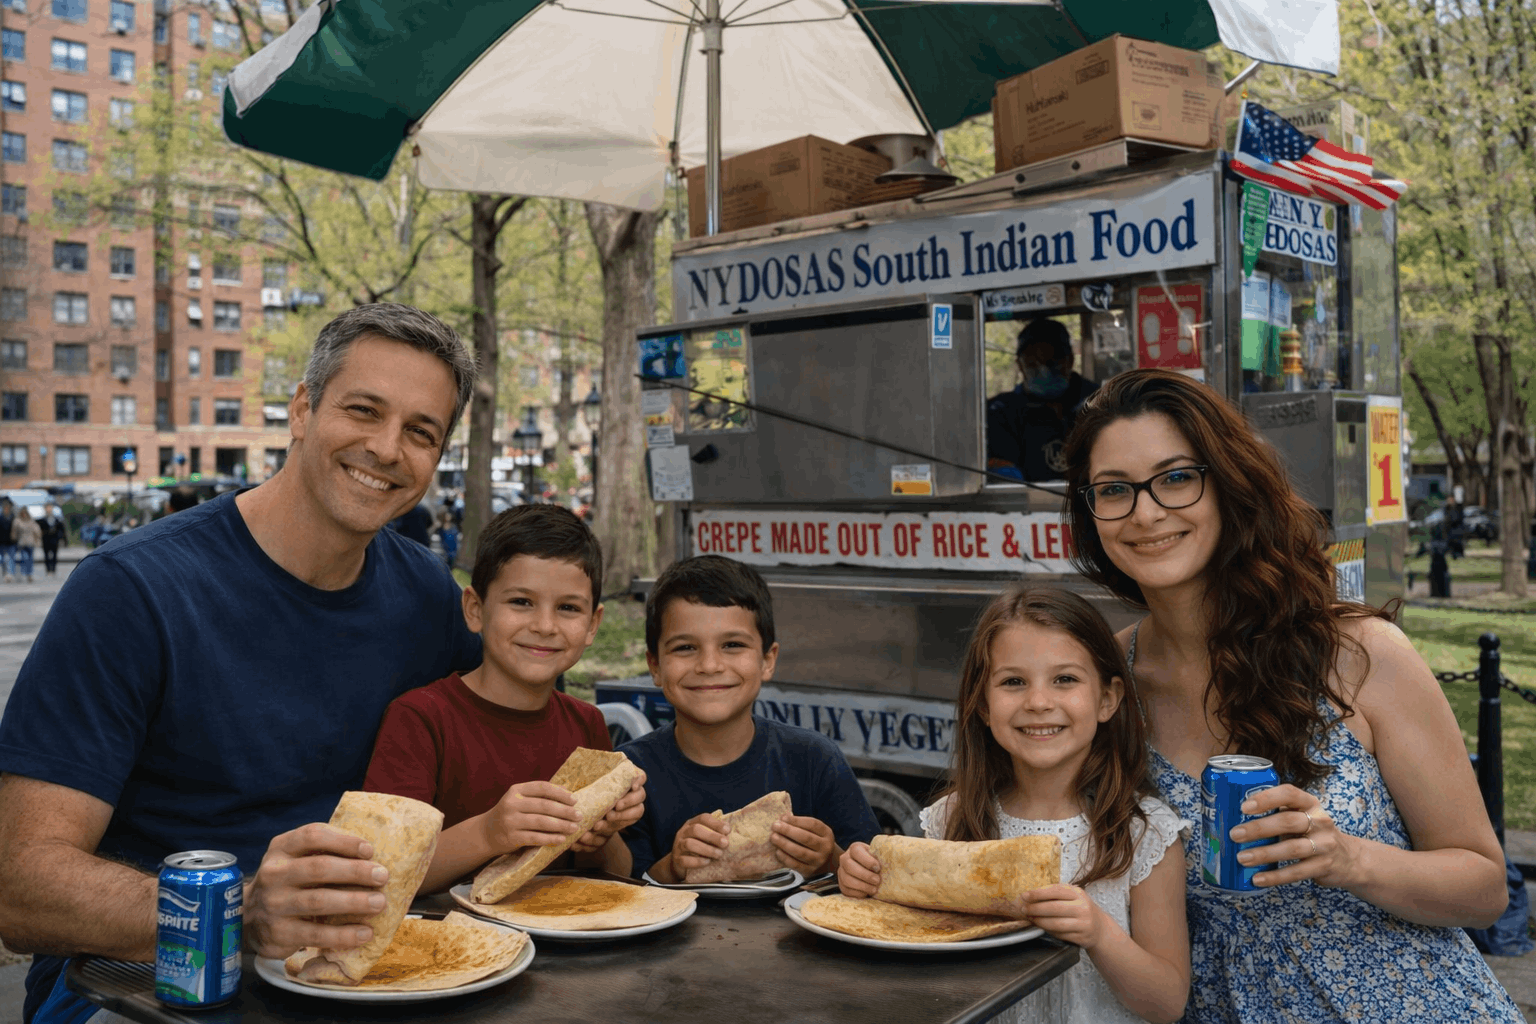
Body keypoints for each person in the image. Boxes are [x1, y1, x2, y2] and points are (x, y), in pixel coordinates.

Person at [0, 303, 484, 1024]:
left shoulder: (430, 597)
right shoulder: (132, 589)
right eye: (364, 410)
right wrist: (239, 908)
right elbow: (20, 885)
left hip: (361, 977)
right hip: (138, 988)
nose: (388, 448)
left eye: (421, 432)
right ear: (300, 410)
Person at [1060, 369, 1522, 1023]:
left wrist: (1350, 859)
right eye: (1114, 490)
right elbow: (1032, 826)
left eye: (1176, 477)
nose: (1146, 512)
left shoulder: (1357, 654)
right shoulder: (1108, 682)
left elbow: (1484, 887)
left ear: (1227, 483)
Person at [839, 586, 1189, 1024]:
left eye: (1065, 679)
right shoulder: (951, 817)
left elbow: (1167, 1003)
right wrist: (867, 883)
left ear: (1106, 699)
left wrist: (1099, 934)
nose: (1038, 702)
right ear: (983, 705)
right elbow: (917, 949)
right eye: (1013, 682)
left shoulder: (1144, 833)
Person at [364, 503, 644, 892]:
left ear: (592, 624)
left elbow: (616, 875)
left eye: (567, 608)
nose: (544, 626)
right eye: (521, 602)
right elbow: (383, 872)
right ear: (475, 610)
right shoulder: (421, 719)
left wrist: (603, 833)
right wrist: (488, 833)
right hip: (441, 942)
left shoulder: (587, 724)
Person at [620, 555, 880, 883]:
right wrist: (673, 867)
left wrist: (830, 859)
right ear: (655, 666)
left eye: (732, 645)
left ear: (767, 661)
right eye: (685, 647)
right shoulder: (631, 774)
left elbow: (874, 873)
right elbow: (624, 889)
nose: (710, 665)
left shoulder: (814, 760)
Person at [986, 317, 1099, 483]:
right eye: (1033, 363)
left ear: (1070, 360)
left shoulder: (1100, 402)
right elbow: (1004, 479)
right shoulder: (1001, 412)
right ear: (1020, 365)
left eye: (1052, 362)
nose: (1044, 371)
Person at [10, 507, 39, 583]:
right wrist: (13, 537)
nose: (24, 515)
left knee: (30, 559)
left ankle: (29, 574)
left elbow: (36, 530)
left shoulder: (31, 521)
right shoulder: (17, 521)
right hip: (22, 543)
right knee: (24, 557)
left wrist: (37, 540)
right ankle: (24, 573)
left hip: (30, 542)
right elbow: (14, 531)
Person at [37, 502, 65, 577]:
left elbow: (61, 529)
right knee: (46, 555)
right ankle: (48, 570)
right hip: (46, 540)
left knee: (54, 555)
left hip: (54, 539)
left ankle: (53, 569)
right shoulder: (41, 520)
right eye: (47, 508)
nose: (49, 509)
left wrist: (61, 538)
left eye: (50, 507)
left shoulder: (57, 519)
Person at [0, 497, 14, 582]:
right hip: (2, 541)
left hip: (11, 541)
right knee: (3, 559)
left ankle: (11, 574)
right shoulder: (1, 518)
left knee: (11, 558)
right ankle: (5, 573)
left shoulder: (13, 517)